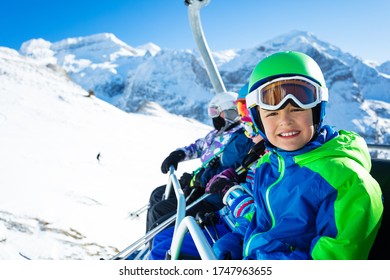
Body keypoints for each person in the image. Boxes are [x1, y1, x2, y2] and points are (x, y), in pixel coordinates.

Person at [213, 51, 383, 260]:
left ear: (317, 110)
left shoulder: (347, 183)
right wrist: (238, 237)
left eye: (296, 109)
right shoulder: (269, 164)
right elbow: (261, 216)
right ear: (259, 121)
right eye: (272, 113)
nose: (285, 121)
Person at [148, 84, 266, 260]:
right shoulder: (222, 136)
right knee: (159, 201)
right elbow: (202, 148)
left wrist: (202, 181)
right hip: (221, 209)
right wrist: (179, 154)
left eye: (247, 118)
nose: (247, 129)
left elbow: (258, 208)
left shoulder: (243, 141)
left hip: (216, 202)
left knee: (162, 220)